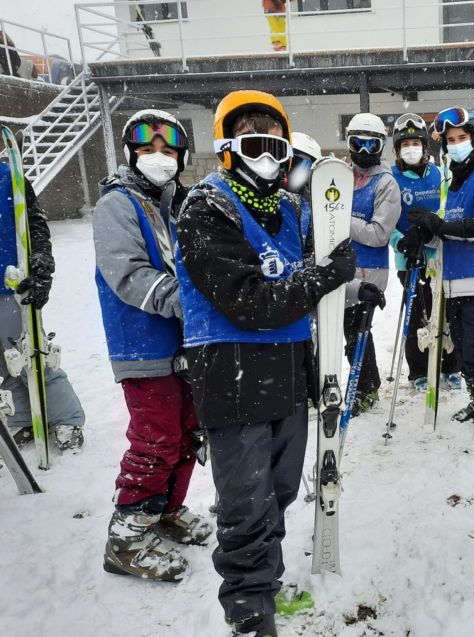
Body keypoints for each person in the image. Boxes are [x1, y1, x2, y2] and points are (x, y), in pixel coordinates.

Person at [175, 90, 355, 637]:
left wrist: (346, 294)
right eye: (254, 143)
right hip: (232, 373)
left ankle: (265, 587)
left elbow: (305, 273)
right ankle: (250, 613)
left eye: (276, 145)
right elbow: (248, 300)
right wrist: (325, 277)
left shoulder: (288, 207)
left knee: (277, 494)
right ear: (227, 146)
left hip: (284, 370)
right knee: (246, 507)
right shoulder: (208, 206)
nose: (269, 156)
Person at [94, 109, 210, 582]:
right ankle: (126, 536)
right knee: (156, 437)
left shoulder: (176, 204)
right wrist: (187, 299)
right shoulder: (118, 204)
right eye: (148, 150)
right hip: (142, 344)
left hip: (182, 341)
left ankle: (163, 509)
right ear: (130, 155)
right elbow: (126, 273)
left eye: (167, 151)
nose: (158, 159)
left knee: (187, 431)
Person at [408, 106, 474, 434]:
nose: (455, 144)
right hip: (454, 279)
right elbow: (444, 219)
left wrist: (440, 225)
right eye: (450, 139)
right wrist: (422, 232)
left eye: (462, 138)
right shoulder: (453, 178)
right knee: (464, 350)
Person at [0, 156, 85, 451]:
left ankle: (66, 418)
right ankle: (21, 417)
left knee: (31, 354)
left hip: (11, 286)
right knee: (4, 361)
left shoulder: (9, 177)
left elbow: (35, 226)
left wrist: (40, 266)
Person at [390, 113, 461, 391]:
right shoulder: (391, 178)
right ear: (397, 149)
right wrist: (401, 241)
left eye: (416, 143)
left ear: (424, 146)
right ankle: (419, 370)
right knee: (418, 313)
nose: (411, 148)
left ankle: (451, 364)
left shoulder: (440, 174)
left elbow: (449, 207)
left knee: (445, 312)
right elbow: (386, 219)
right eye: (405, 144)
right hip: (409, 258)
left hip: (440, 255)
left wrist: (433, 228)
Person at [344, 112, 401, 414]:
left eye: (371, 144)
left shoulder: (386, 183)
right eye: (358, 143)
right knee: (346, 331)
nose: (364, 151)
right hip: (342, 268)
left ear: (381, 146)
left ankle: (367, 388)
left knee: (358, 331)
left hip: (371, 270)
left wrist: (342, 221)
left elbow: (379, 234)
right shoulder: (339, 176)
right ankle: (360, 383)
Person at [284, 131, 322, 250]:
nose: (296, 172)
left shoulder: (311, 205)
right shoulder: (266, 195)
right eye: (292, 164)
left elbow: (310, 247)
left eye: (305, 167)